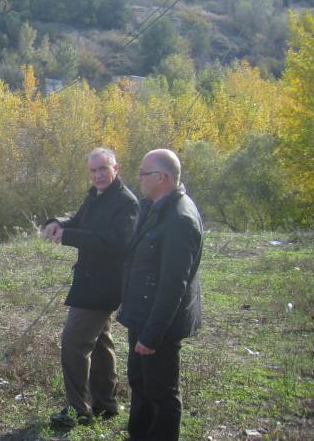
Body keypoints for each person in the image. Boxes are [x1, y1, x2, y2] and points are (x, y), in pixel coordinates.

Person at [42, 148, 139, 428]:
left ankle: (77, 409)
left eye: (103, 169)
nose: (97, 175)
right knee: (99, 342)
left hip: (102, 286)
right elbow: (80, 221)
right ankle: (105, 403)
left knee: (73, 344)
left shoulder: (125, 202)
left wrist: (69, 235)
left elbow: (117, 242)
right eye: (93, 170)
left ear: (115, 168)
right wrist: (58, 223)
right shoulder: (97, 195)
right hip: (89, 281)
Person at [117, 149, 203, 440]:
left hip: (159, 324)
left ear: (162, 178)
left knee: (161, 393)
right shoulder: (156, 206)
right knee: (140, 383)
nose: (138, 178)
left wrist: (152, 334)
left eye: (143, 173)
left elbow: (173, 284)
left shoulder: (180, 219)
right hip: (142, 315)